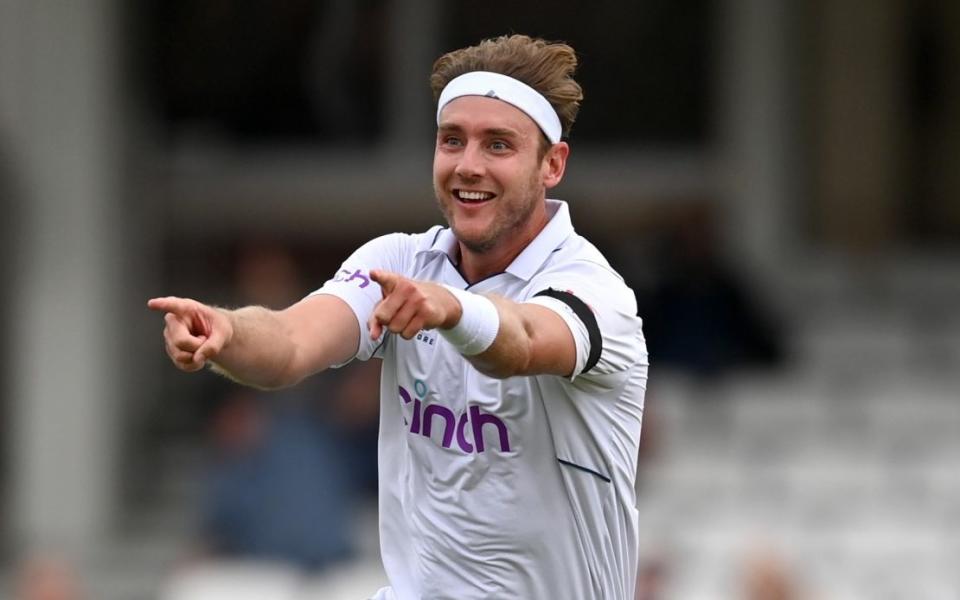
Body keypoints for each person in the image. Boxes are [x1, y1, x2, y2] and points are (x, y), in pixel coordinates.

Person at [149, 34, 649, 600]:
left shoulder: (595, 289)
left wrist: (455, 308)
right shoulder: (399, 262)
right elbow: (291, 343)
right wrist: (229, 332)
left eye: (498, 145)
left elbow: (527, 340)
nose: (468, 166)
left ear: (552, 164)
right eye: (452, 140)